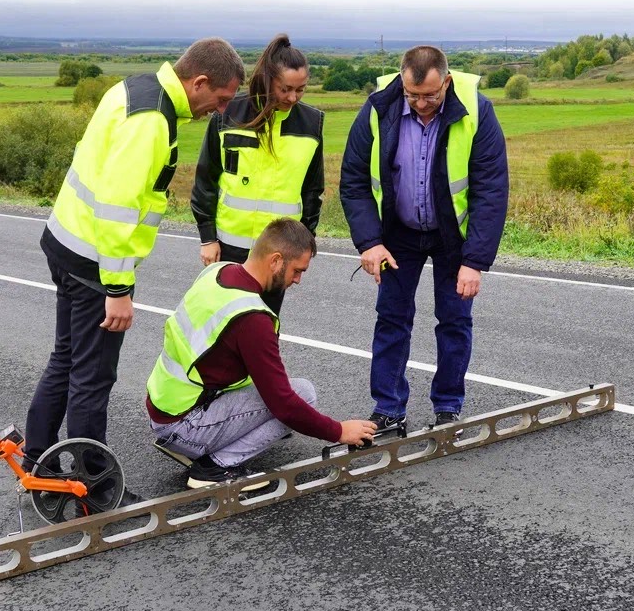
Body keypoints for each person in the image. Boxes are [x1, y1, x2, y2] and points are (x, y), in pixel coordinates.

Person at [24, 38, 246, 482]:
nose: (218, 111)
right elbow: (116, 207)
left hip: (68, 245)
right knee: (92, 376)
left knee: (65, 359)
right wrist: (118, 289)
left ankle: (38, 461)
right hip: (94, 262)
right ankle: (93, 484)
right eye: (220, 99)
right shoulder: (151, 120)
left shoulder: (136, 88)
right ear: (199, 81)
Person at [339, 45, 509, 430]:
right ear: (402, 82)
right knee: (392, 319)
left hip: (453, 237)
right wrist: (369, 242)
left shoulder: (477, 111)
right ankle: (388, 409)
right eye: (412, 95)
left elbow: (491, 190)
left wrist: (475, 261)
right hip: (396, 235)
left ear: (446, 82)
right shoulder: (378, 108)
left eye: (431, 95)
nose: (421, 104)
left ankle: (448, 406)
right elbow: (353, 182)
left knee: (454, 321)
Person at [145, 218, 377, 489]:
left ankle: (195, 445)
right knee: (302, 393)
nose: (298, 280)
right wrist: (339, 431)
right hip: (184, 427)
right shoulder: (252, 318)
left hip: (165, 406)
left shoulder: (218, 272)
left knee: (273, 385)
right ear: (276, 260)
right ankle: (214, 467)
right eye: (297, 270)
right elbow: (285, 405)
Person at [190, 33, 324, 315]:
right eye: (285, 89)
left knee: (263, 328)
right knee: (221, 327)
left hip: (278, 256)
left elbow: (313, 191)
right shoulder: (228, 115)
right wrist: (207, 238)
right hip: (228, 250)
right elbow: (205, 180)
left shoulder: (312, 123)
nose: (292, 97)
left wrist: (305, 244)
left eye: (300, 90)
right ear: (267, 79)